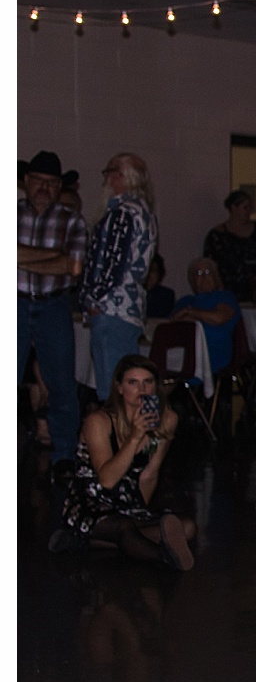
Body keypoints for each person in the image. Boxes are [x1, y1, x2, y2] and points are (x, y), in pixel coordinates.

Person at [60, 355, 197, 569]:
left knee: (186, 526)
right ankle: (165, 559)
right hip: (93, 501)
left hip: (126, 500)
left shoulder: (166, 419)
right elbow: (106, 480)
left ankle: (87, 541)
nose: (141, 389)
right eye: (133, 382)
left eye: (148, 382)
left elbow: (150, 473)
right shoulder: (98, 421)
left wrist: (139, 509)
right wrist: (134, 437)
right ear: (120, 388)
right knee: (125, 528)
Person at [18, 150, 89, 469]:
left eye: (51, 183)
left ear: (59, 187)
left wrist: (18, 255)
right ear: (26, 181)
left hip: (54, 305)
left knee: (61, 383)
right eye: (38, 181)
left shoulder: (72, 220)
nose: (44, 188)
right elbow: (62, 261)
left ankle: (64, 456)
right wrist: (53, 257)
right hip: (14, 303)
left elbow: (73, 267)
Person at [79, 153, 160, 400]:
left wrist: (93, 298)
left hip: (112, 308)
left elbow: (113, 263)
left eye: (108, 173)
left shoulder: (122, 213)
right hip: (129, 308)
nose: (105, 180)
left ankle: (115, 426)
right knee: (129, 384)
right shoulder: (145, 213)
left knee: (113, 388)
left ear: (121, 176)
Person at [204, 189, 256, 300]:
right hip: (230, 289)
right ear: (233, 208)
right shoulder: (217, 236)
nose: (249, 211)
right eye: (245, 207)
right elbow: (210, 265)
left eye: (250, 207)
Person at [168, 258, 241, 376]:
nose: (203, 277)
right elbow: (174, 322)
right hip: (183, 349)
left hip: (213, 351)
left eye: (207, 272)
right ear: (192, 281)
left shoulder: (225, 297)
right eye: (198, 273)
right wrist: (202, 317)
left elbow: (219, 318)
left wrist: (191, 312)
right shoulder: (186, 301)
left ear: (216, 277)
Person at [143, 254, 175, 319]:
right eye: (145, 270)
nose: (148, 274)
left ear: (159, 274)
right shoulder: (133, 292)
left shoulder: (166, 295)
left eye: (152, 271)